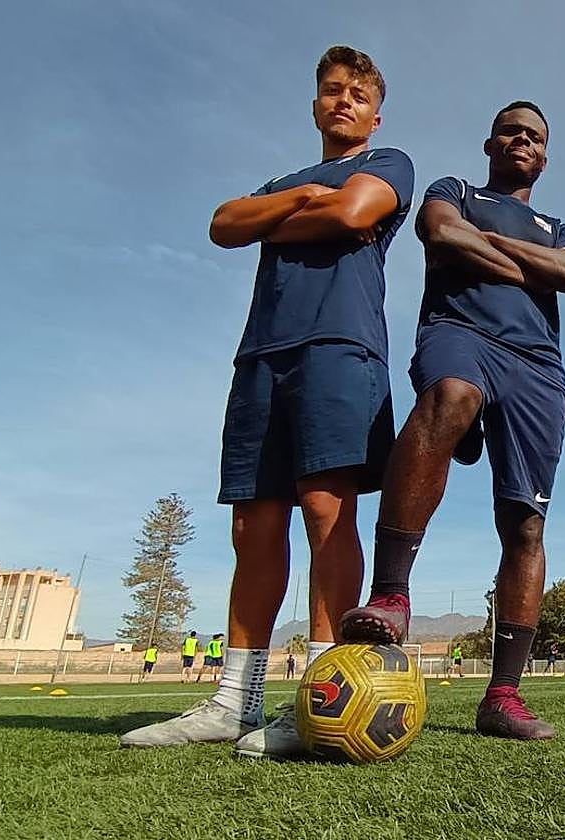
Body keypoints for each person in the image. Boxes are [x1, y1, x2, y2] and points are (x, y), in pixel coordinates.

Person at [121, 46, 414, 757]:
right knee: (253, 527)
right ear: (315, 103)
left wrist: (281, 217)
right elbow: (223, 223)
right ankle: (233, 702)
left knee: (324, 509)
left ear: (376, 112)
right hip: (261, 357)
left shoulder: (391, 163)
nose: (342, 100)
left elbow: (351, 215)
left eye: (356, 94)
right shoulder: (285, 180)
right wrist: (296, 200)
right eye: (331, 90)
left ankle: (317, 699)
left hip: (339, 349)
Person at [340, 101, 565, 743]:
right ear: (490, 142)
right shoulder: (456, 189)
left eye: (534, 136)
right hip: (462, 331)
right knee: (451, 393)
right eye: (511, 130)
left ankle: (503, 697)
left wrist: (499, 250)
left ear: (544, 155)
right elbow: (441, 233)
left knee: (526, 523)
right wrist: (532, 267)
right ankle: (392, 594)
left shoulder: (556, 223)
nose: (522, 140)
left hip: (537, 367)